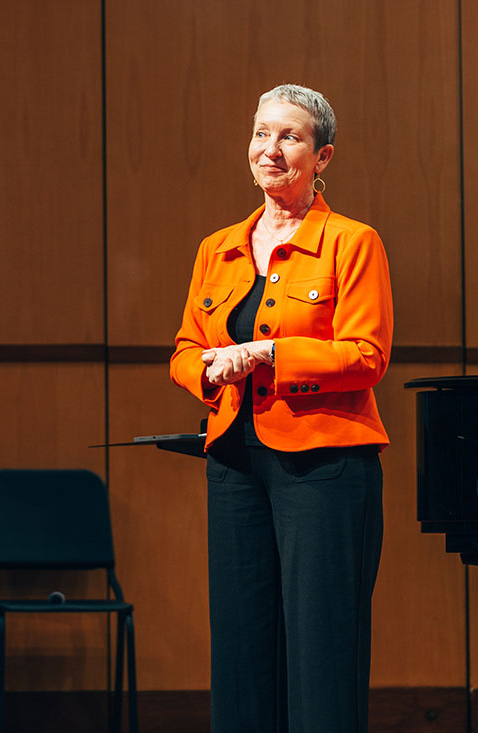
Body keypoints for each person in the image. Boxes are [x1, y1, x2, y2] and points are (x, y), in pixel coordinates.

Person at [170, 84, 393, 733]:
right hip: (236, 462)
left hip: (325, 466)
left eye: (290, 137)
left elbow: (366, 354)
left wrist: (269, 353)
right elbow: (185, 347)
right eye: (262, 133)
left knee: (322, 647)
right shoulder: (218, 248)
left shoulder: (353, 242)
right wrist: (208, 371)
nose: (271, 149)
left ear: (323, 157)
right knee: (241, 645)